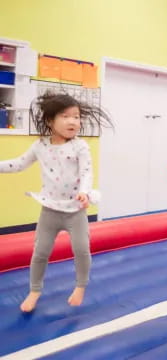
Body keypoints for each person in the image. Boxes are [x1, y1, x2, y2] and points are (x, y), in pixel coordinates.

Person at [0, 92, 113, 312]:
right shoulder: (40, 146)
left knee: (81, 249)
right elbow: (19, 164)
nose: (73, 121)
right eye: (66, 116)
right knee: (40, 252)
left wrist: (83, 191)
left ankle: (80, 286)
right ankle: (34, 290)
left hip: (75, 211)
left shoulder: (80, 147)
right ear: (50, 121)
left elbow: (87, 172)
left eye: (77, 117)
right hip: (50, 210)